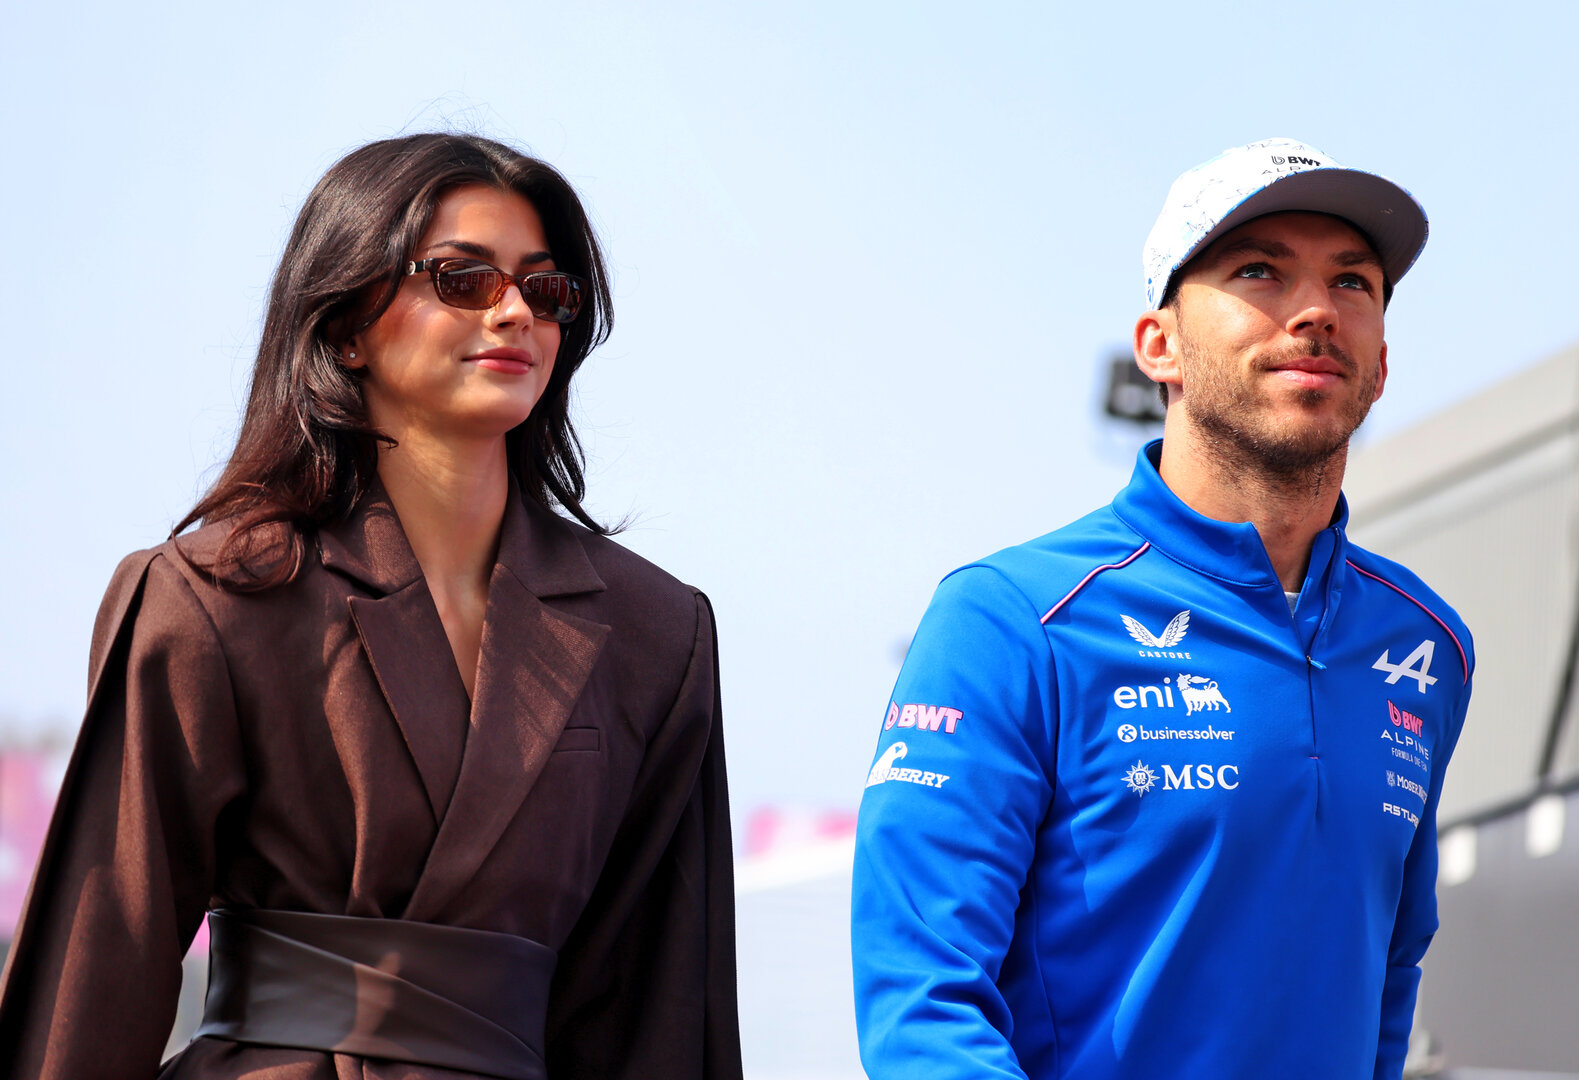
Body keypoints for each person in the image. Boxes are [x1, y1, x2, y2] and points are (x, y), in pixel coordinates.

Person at [0, 133, 742, 1080]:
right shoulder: (211, 597)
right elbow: (96, 966)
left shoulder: (656, 633)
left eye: (545, 288)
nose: (515, 311)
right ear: (347, 324)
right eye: (463, 279)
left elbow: (660, 1011)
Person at [851, 138, 1473, 1079]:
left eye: (1352, 282)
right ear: (1159, 346)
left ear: (1381, 363)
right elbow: (921, 1003)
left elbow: (1392, 966)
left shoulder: (1425, 643)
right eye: (1259, 271)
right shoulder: (1010, 619)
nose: (1316, 310)